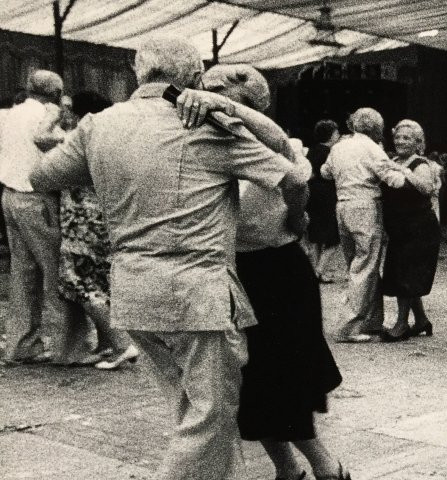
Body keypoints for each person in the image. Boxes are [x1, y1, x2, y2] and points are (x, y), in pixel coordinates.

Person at [29, 37, 310, 479]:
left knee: (187, 412)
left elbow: (42, 176)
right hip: (198, 295)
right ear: (196, 79)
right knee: (211, 418)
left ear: (138, 73)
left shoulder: (99, 125)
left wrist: (111, 166)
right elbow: (291, 172)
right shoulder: (205, 126)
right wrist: (234, 112)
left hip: (134, 291)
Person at [196, 63, 349, 480]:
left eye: (225, 99)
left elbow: (293, 180)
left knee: (283, 379)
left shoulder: (277, 146)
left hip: (278, 273)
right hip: (231, 274)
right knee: (249, 383)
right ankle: (288, 470)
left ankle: (326, 468)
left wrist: (297, 218)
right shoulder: (201, 150)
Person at [32, 90, 141, 370]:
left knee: (80, 283)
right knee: (102, 283)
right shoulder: (114, 135)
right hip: (105, 218)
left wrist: (51, 114)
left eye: (69, 108)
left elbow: (41, 138)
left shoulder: (82, 137)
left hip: (81, 221)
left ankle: (121, 343)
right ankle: (107, 345)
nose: (65, 113)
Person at [321, 108, 411, 343]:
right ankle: (348, 326)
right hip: (365, 206)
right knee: (366, 266)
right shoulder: (371, 147)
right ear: (375, 129)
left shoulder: (339, 147)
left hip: (342, 205)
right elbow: (391, 178)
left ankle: (371, 320)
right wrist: (407, 173)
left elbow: (325, 172)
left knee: (356, 264)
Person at [0, 70, 72, 365]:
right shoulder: (46, 118)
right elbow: (64, 153)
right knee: (57, 271)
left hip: (9, 196)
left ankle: (20, 344)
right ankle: (68, 345)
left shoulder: (7, 115)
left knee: (22, 272)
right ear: (55, 94)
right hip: (38, 198)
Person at [378, 119, 441, 341]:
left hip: (418, 227)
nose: (400, 141)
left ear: (418, 143)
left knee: (406, 275)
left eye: (407, 138)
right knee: (402, 273)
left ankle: (401, 324)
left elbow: (426, 188)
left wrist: (402, 170)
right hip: (399, 227)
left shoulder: (421, 164)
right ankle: (422, 320)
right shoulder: (391, 160)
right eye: (398, 137)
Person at [305, 119, 346, 283]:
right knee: (333, 239)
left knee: (315, 238)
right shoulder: (332, 153)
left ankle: (316, 271)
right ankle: (319, 271)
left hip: (312, 196)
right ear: (331, 135)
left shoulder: (310, 151)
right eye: (336, 132)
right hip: (328, 198)